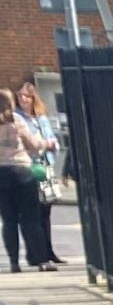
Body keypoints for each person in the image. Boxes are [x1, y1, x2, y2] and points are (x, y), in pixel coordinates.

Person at [12, 81, 63, 270]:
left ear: (33, 98)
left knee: (46, 211)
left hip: (45, 165)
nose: (23, 99)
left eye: (26, 96)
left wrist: (51, 144)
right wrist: (42, 144)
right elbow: (28, 143)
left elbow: (53, 139)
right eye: (20, 96)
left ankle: (49, 251)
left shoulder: (41, 118)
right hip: (30, 167)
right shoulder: (17, 118)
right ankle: (35, 254)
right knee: (32, 212)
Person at [0, 90, 50, 274]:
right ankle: (42, 260)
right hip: (21, 171)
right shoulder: (16, 120)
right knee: (31, 219)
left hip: (0, 174)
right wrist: (44, 143)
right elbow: (33, 144)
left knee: (9, 220)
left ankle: (14, 262)